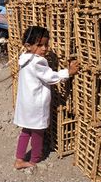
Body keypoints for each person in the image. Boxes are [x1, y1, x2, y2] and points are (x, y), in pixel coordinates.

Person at [13, 26, 79, 169]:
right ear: (28, 46)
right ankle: (35, 158)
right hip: (35, 103)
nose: (44, 48)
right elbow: (50, 77)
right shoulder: (37, 62)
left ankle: (19, 158)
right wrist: (68, 72)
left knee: (26, 131)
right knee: (38, 131)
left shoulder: (24, 58)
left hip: (26, 103)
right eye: (40, 45)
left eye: (46, 44)